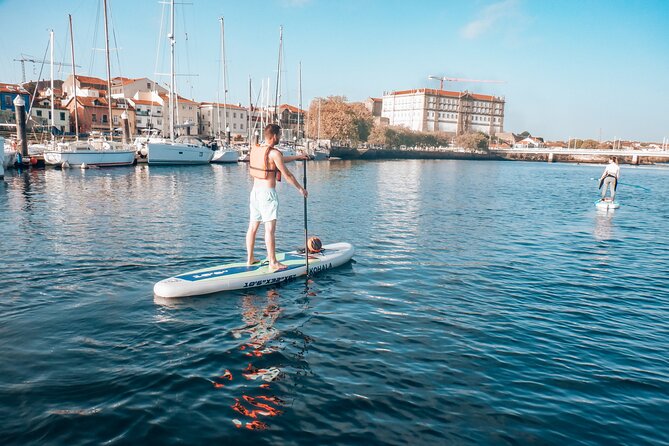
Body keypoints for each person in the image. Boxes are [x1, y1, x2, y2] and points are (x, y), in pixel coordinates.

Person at [246, 124, 308, 271]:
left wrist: (298, 157)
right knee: (269, 229)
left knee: (253, 227)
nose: (280, 138)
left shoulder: (259, 148)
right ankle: (273, 262)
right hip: (267, 195)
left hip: (255, 193)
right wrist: (301, 189)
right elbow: (288, 175)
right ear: (274, 136)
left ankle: (250, 259)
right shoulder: (274, 153)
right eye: (279, 135)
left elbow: (277, 159)